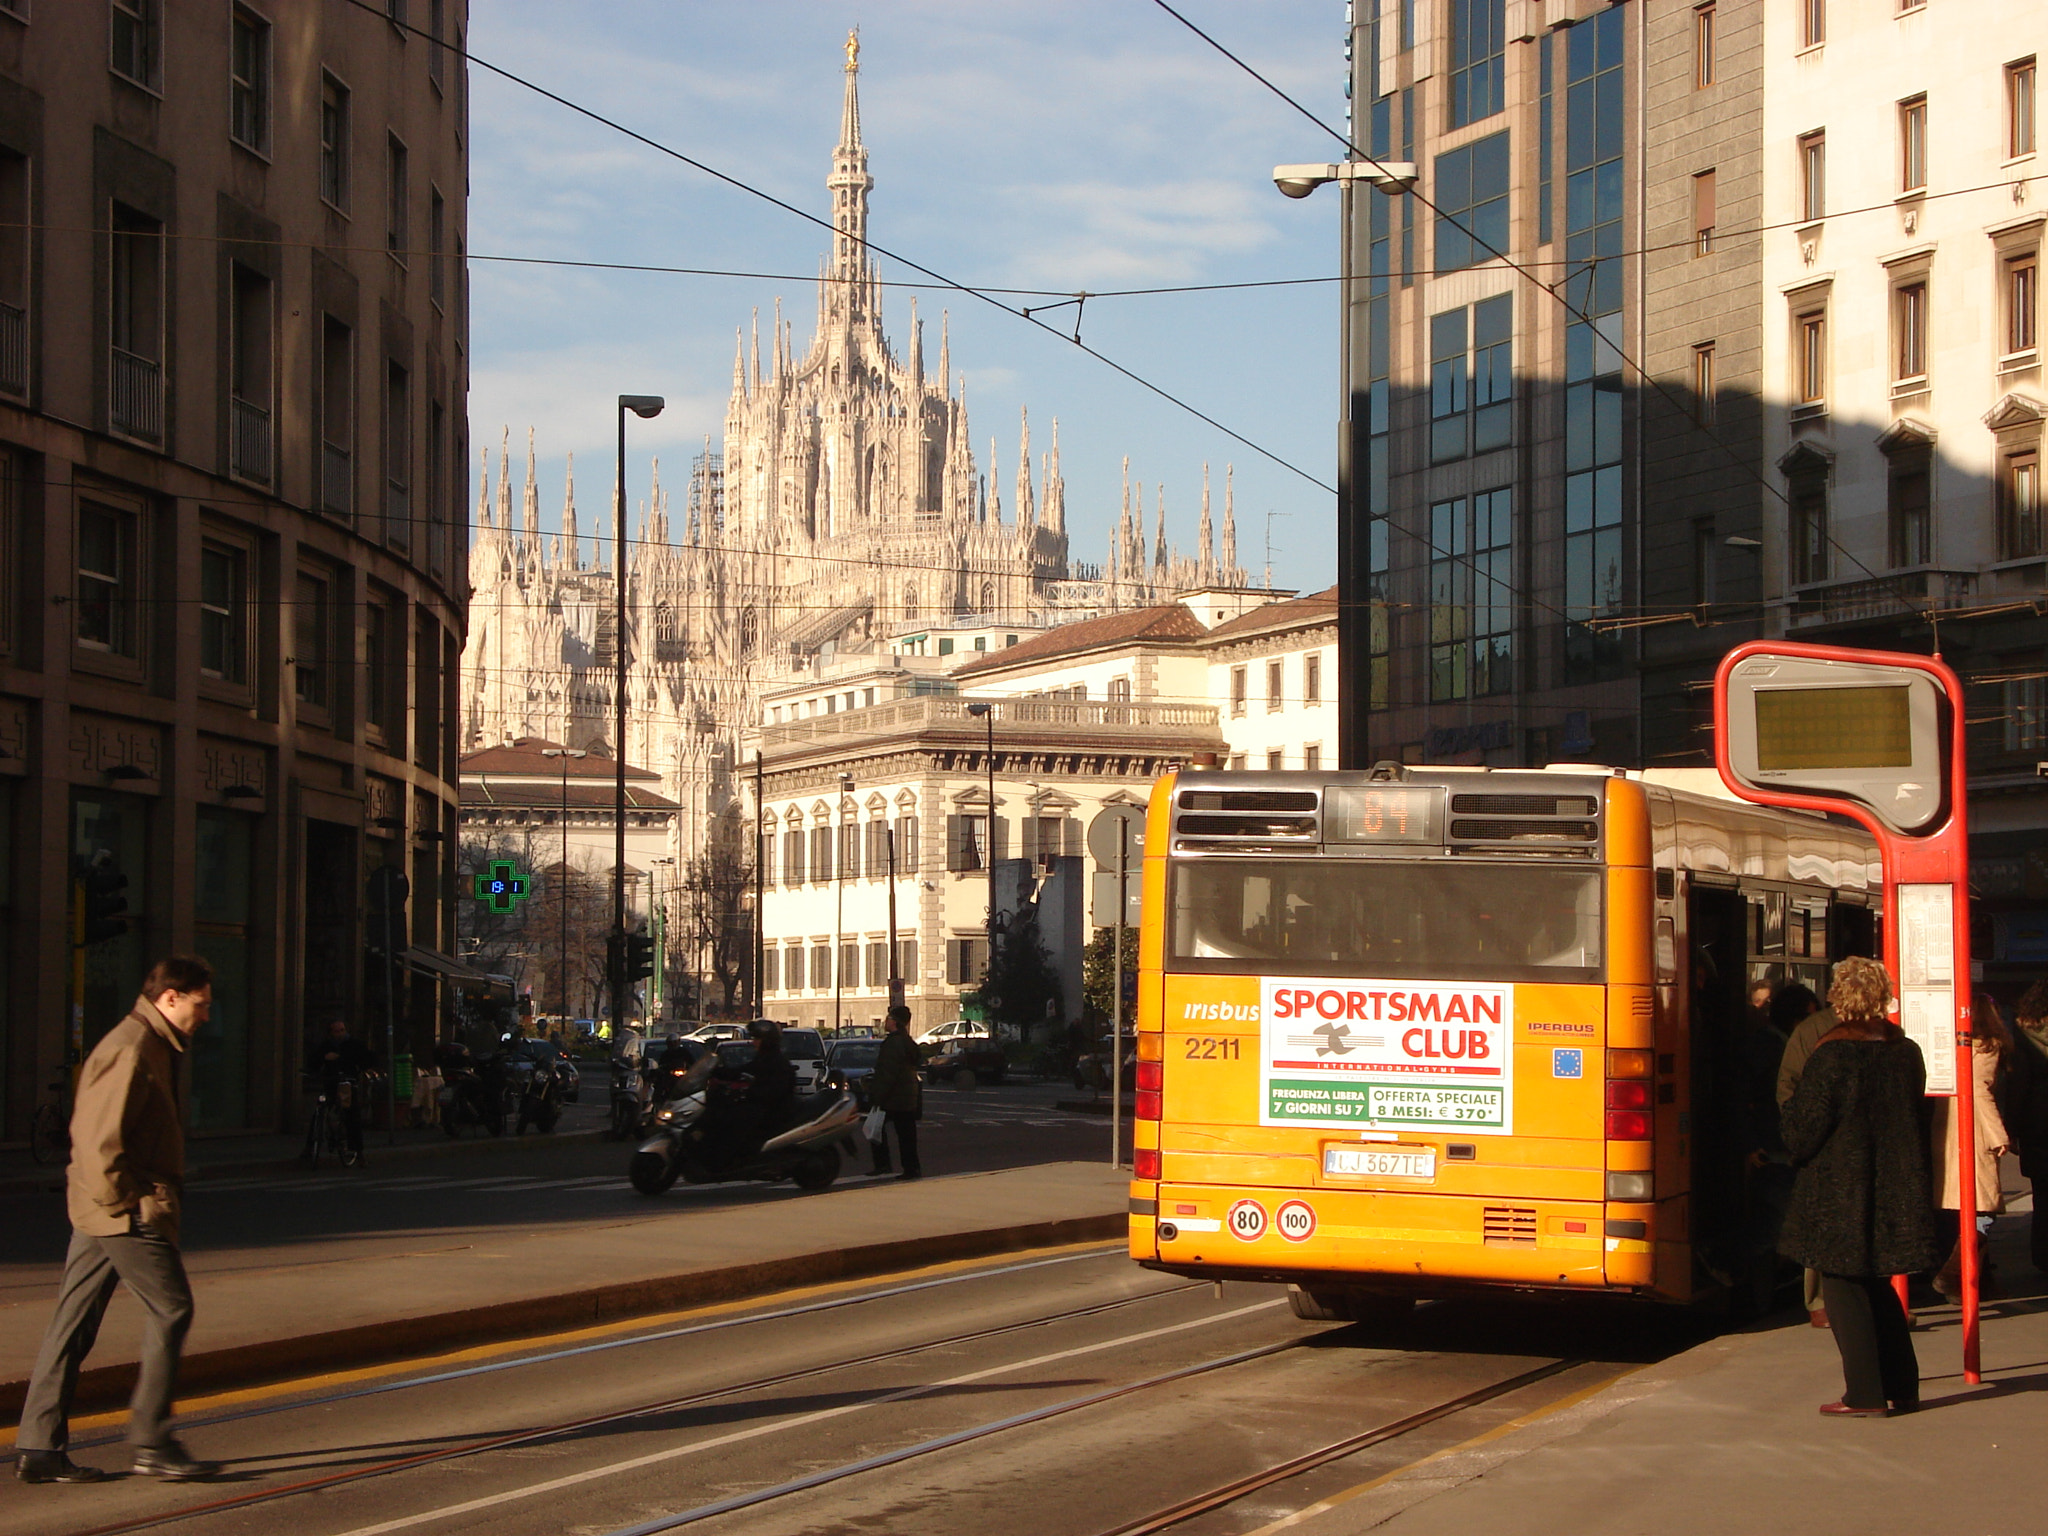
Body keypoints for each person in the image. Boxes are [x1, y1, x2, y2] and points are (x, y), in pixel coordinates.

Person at [15, 957, 221, 1484]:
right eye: (200, 1004)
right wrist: (131, 1204)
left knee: (72, 1324)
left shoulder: (151, 1044)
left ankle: (39, 1448)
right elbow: (96, 1142)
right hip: (121, 1208)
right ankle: (151, 1439)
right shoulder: (132, 1048)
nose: (205, 1016)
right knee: (172, 1309)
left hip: (103, 1207)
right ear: (169, 998)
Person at [1779, 956, 1944, 1418]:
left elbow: (1803, 1129)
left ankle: (1865, 1394)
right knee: (1877, 1285)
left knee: (1842, 1286)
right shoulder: (1904, 1050)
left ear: (1838, 997)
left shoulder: (1832, 1053)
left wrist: (1790, 1131)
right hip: (1892, 1184)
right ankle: (1902, 1386)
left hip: (1839, 1188)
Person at [1930, 996, 2014, 1301]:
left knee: (1960, 1210)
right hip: (1974, 1132)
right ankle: (1952, 1275)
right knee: (1983, 1211)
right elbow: (1980, 1090)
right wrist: (1998, 1135)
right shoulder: (1986, 1047)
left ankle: (1976, 1280)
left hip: (1945, 1131)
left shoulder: (1946, 1044)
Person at [2006, 981, 2048, 1273]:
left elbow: (2018, 1084)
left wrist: (2013, 1127)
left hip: (2038, 1122)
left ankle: (2044, 1256)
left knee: (2043, 1195)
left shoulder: (2024, 1034)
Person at [304, 1017, 377, 1161]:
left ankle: (357, 1150)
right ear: (331, 1033)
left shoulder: (354, 1044)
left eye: (342, 1030)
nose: (339, 1034)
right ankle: (309, 1148)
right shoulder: (326, 1046)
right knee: (319, 1111)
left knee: (352, 1114)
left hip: (347, 1083)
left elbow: (365, 1059)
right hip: (330, 1082)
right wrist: (323, 1060)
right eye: (336, 1031)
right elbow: (314, 1061)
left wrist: (345, 1060)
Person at [866, 1004, 925, 1180]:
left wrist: (877, 1096)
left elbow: (887, 1072)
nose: (886, 1021)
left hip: (894, 1096)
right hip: (906, 1096)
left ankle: (884, 1164)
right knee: (906, 1134)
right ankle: (911, 1167)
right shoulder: (907, 1041)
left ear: (895, 1022)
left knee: (875, 1129)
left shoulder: (893, 1043)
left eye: (889, 1018)